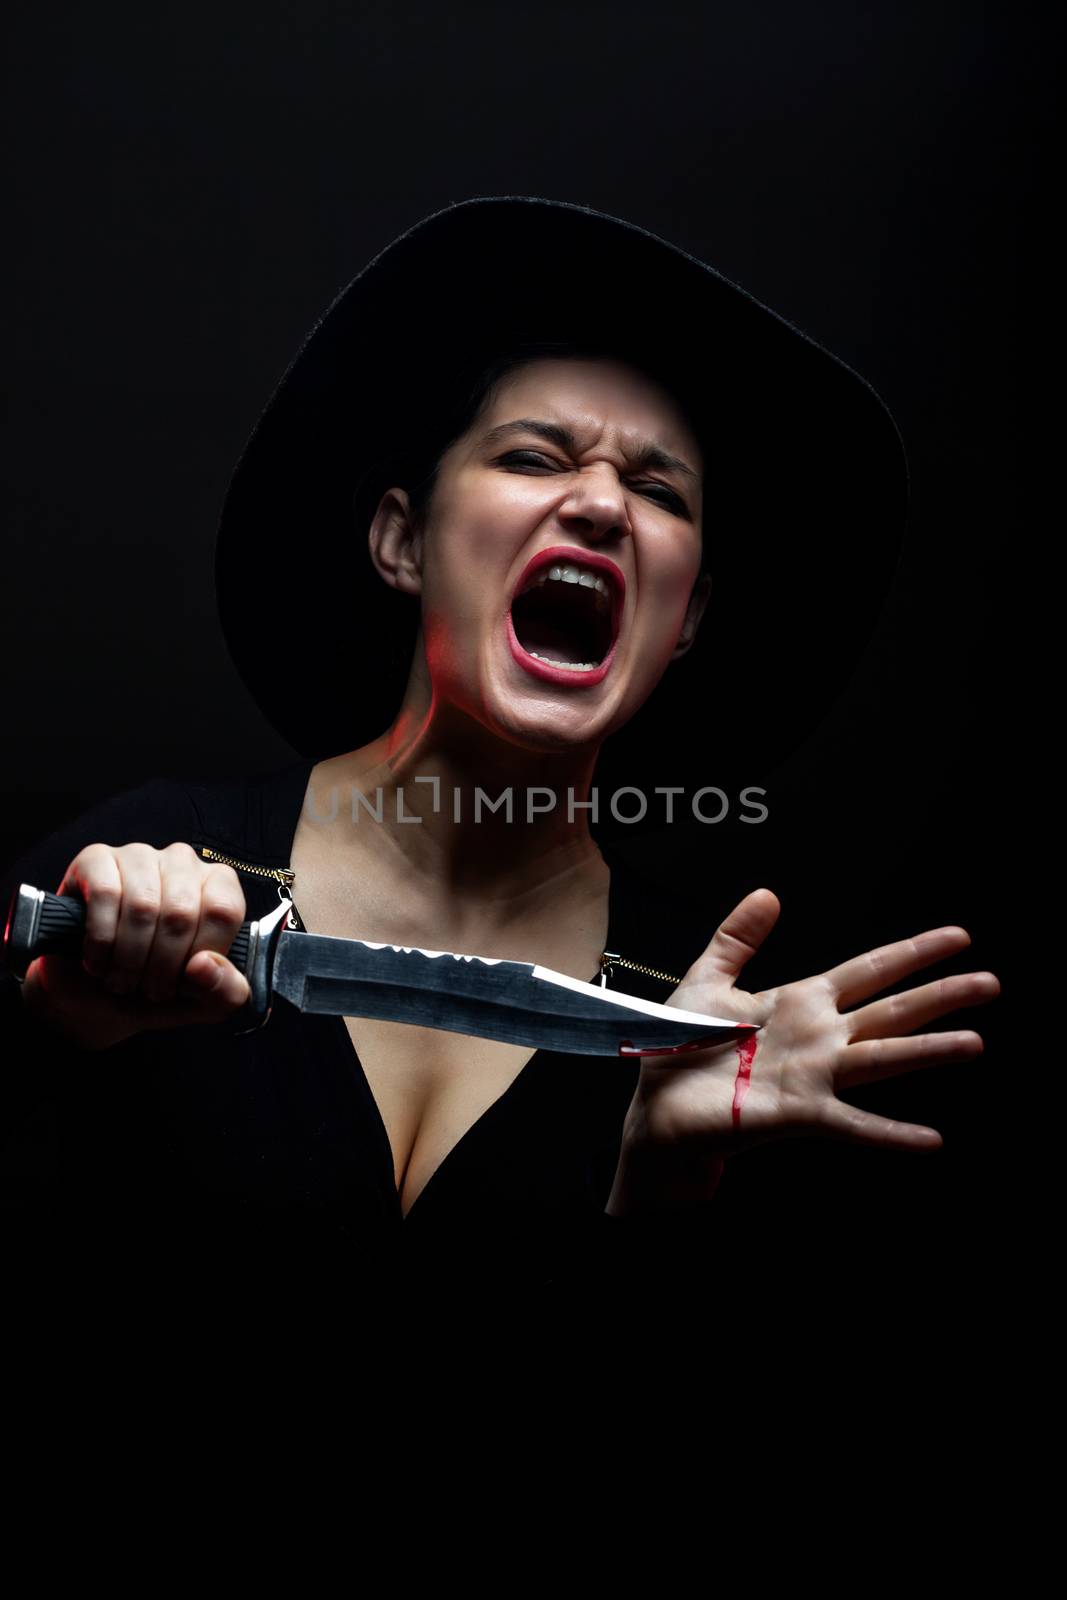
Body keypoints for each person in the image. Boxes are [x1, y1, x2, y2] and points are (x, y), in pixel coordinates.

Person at [0, 196, 999, 1310]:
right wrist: (51, 1029)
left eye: (658, 489)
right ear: (401, 541)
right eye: (534, 456)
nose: (602, 504)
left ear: (687, 620)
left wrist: (652, 1194)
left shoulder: (716, 1027)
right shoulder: (137, 882)